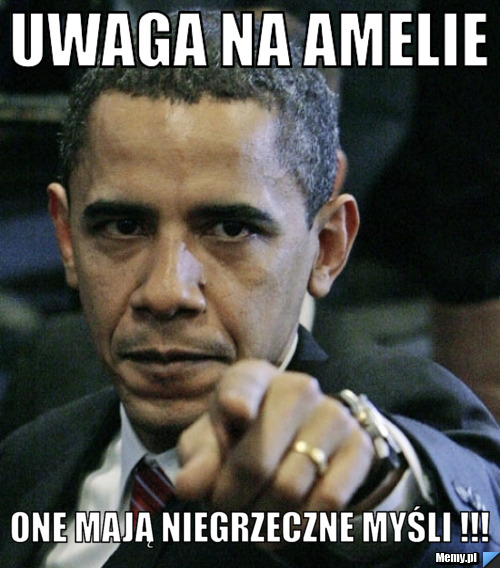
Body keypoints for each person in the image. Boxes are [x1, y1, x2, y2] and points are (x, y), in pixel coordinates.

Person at [0, 11, 499, 568]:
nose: (166, 292)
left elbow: (471, 515)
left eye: (231, 230)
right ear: (66, 237)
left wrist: (375, 483)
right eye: (122, 226)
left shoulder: (387, 401)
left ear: (327, 246)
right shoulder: (31, 453)